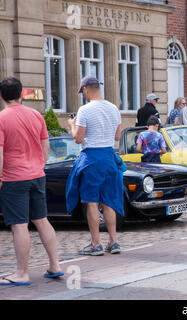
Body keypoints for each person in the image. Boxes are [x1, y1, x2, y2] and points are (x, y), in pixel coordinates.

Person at [0, 77, 63, 286]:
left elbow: (0, 153)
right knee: (42, 220)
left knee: (19, 226)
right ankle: (55, 265)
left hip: (13, 178)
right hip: (37, 175)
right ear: (21, 94)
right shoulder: (37, 115)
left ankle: (21, 273)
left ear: (1, 96)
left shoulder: (2, 118)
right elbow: (46, 148)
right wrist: (38, 166)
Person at [67, 76, 123, 255]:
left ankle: (95, 244)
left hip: (92, 158)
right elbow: (117, 136)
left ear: (85, 89)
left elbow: (78, 138)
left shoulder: (84, 110)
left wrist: (71, 125)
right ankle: (113, 242)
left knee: (91, 201)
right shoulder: (114, 108)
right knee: (108, 201)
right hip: (109, 156)